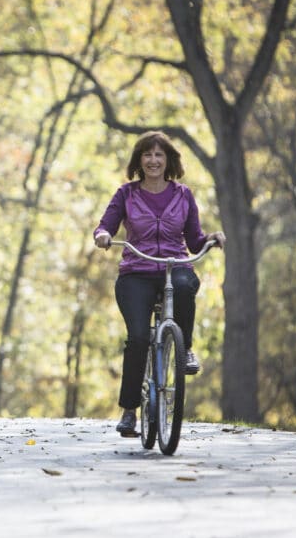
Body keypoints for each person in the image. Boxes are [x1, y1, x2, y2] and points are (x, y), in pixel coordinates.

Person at [93, 130, 224, 438]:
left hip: (173, 266)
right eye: (147, 155)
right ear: (139, 160)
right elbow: (106, 224)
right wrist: (102, 235)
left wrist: (211, 239)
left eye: (159, 155)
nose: (153, 160)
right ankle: (129, 411)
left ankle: (185, 349)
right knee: (138, 338)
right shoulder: (126, 194)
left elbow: (194, 241)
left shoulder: (183, 195)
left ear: (168, 161)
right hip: (136, 272)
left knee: (183, 286)